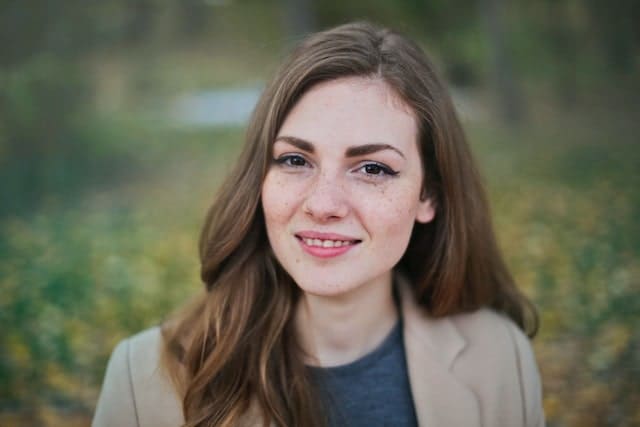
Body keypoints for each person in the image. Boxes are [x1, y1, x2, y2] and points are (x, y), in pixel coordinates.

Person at [93, 21, 544, 427]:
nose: (323, 204)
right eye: (295, 160)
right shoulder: (144, 380)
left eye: (372, 169)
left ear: (429, 195)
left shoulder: (499, 359)